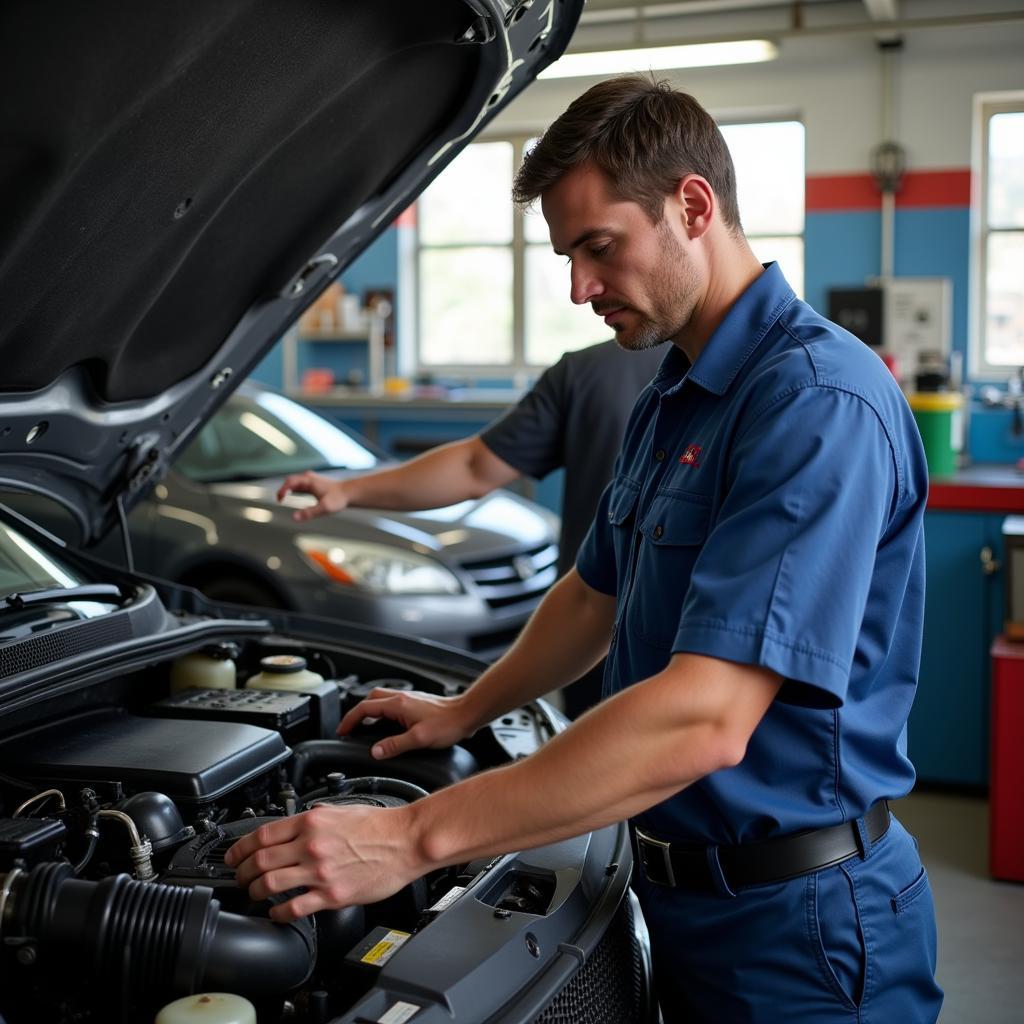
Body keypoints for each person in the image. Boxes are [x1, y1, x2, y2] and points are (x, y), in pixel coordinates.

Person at [227, 74, 943, 1022]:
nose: (580, 289)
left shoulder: (816, 403)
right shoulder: (676, 391)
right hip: (675, 897)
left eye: (599, 249)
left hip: (800, 926)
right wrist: (463, 709)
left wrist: (410, 838)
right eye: (568, 257)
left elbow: (704, 719)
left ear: (694, 206)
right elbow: (592, 596)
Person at [277, 337, 665, 717]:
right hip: (589, 635)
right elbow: (475, 465)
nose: (581, 291)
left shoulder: (710, 391)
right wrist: (348, 490)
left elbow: (472, 467)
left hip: (669, 655)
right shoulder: (585, 372)